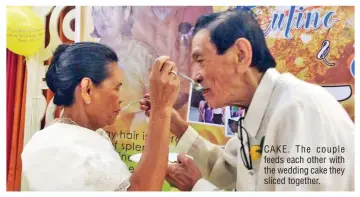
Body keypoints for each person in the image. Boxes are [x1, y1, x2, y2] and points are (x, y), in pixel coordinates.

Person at [140, 9, 354, 191]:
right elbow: (227, 169)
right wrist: (175, 125)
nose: (195, 75)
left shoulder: (298, 110)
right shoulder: (260, 112)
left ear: (241, 55)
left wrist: (198, 187)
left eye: (201, 60)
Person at [21, 42, 180, 191]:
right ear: (87, 89)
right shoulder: (70, 148)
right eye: (116, 88)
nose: (121, 98)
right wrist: (161, 110)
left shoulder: (60, 137)